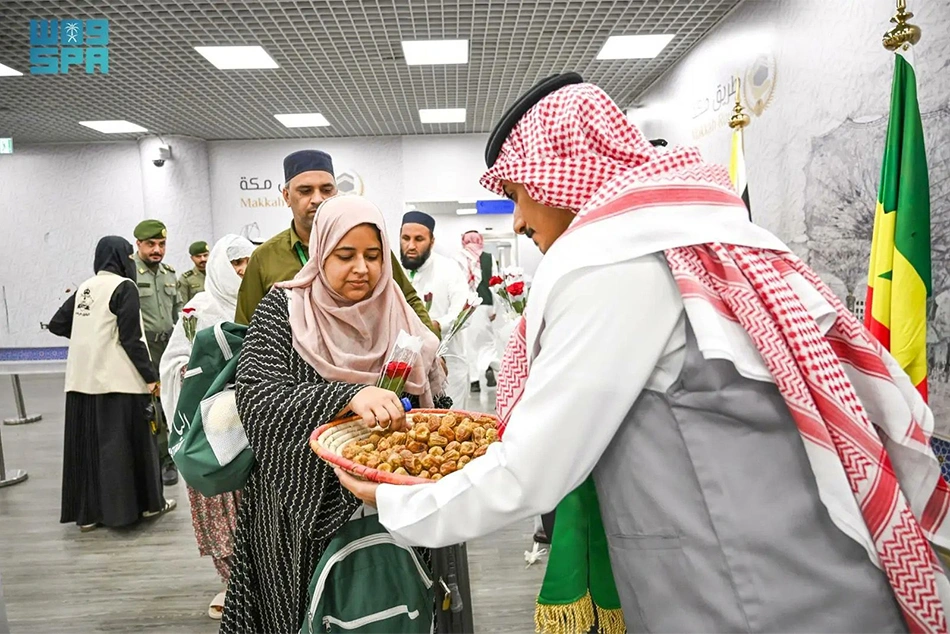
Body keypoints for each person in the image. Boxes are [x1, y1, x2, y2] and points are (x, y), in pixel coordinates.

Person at [339, 76, 950, 632]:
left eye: (519, 192)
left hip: (752, 598)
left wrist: (397, 498)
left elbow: (533, 469)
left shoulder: (616, 264)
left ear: (563, 171)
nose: (519, 220)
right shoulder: (698, 236)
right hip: (805, 577)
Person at [221, 195, 448, 633]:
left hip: (393, 505)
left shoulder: (396, 309)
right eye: (345, 255)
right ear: (321, 251)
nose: (362, 268)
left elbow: (433, 403)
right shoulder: (284, 311)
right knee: (305, 609)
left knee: (395, 606)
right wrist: (346, 396)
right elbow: (256, 397)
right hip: (300, 509)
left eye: (373, 255)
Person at [48, 236, 176, 531]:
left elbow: (57, 324)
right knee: (122, 450)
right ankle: (139, 510)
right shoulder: (124, 287)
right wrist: (151, 377)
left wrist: (89, 339)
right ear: (122, 258)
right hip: (119, 383)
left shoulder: (85, 287)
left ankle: (90, 516)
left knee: (90, 450)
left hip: (80, 383)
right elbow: (132, 339)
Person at [234, 149, 436, 336]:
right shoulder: (265, 258)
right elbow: (246, 328)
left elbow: (407, 299)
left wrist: (431, 348)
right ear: (286, 196)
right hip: (293, 370)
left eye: (326, 190)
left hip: (365, 363)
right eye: (305, 191)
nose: (317, 199)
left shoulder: (366, 245)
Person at [159, 234, 254, 621]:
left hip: (250, 431)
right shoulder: (198, 309)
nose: (243, 271)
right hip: (209, 433)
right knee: (219, 510)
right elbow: (173, 362)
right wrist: (194, 373)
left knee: (254, 509)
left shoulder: (264, 304)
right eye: (235, 264)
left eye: (248, 261)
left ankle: (260, 579)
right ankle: (231, 582)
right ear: (218, 266)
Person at [400, 210, 470, 407]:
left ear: (432, 241)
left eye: (419, 239)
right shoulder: (396, 270)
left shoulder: (449, 269)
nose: (411, 246)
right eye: (405, 238)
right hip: (410, 369)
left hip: (449, 365)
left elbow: (463, 311)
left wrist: (436, 325)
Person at [133, 219, 182, 486]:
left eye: (161, 244)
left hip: (167, 346)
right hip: (143, 347)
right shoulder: (129, 273)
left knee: (169, 401)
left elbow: (179, 312)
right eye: (151, 244)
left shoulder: (169, 274)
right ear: (138, 244)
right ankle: (161, 461)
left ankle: (170, 458)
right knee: (151, 405)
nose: (157, 250)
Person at [460, 230, 496, 393]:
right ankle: (489, 365)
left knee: (470, 345)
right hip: (486, 303)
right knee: (487, 342)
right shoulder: (489, 258)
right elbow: (495, 283)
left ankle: (474, 380)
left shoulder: (460, 258)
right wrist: (494, 308)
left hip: (468, 306)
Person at [178, 240, 209, 305]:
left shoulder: (217, 275)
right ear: (192, 258)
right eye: (198, 256)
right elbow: (183, 305)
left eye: (205, 255)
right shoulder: (186, 279)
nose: (203, 259)